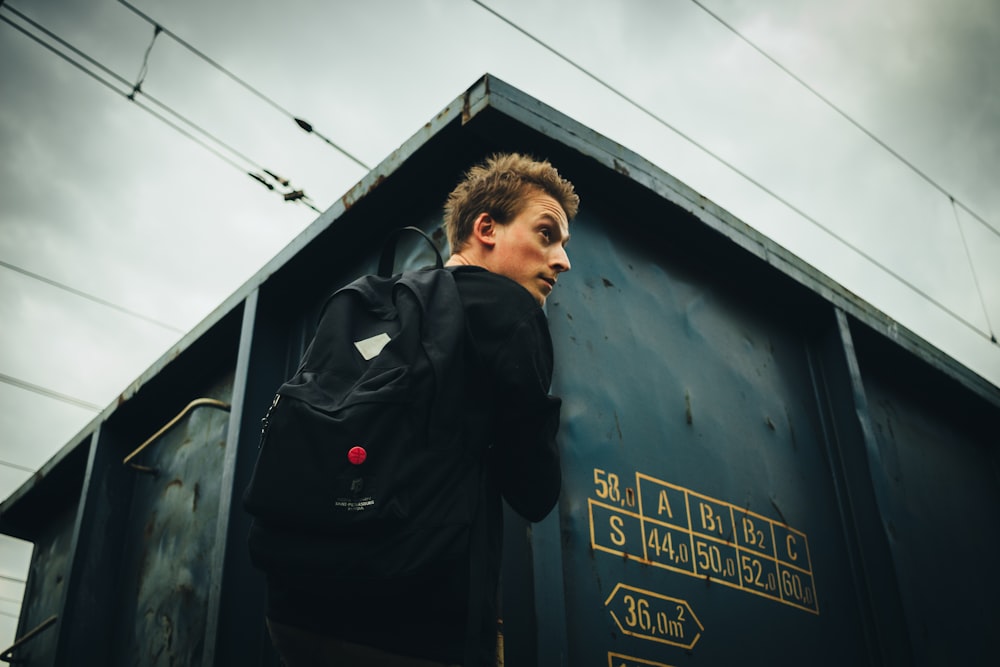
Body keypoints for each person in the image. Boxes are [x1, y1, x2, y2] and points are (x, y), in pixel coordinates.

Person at [264, 152, 579, 666]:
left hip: (293, 613)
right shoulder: (507, 309)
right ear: (486, 228)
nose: (563, 260)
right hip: (416, 621)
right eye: (547, 234)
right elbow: (535, 491)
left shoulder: (366, 300)